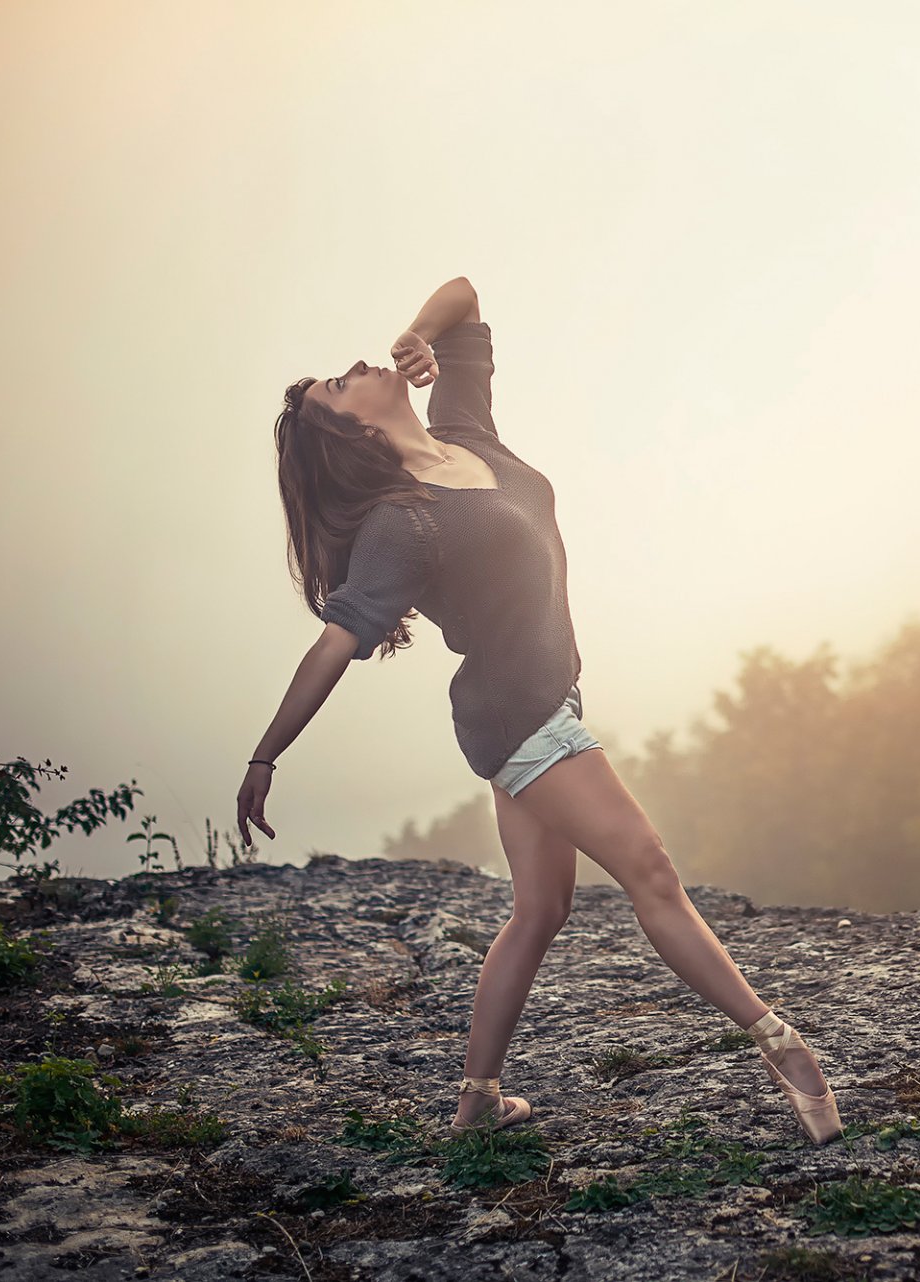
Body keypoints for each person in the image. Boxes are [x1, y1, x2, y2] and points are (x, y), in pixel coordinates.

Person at [235, 276, 841, 1144]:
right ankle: (780, 1045)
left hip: (544, 696)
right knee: (652, 870)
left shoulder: (465, 431)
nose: (358, 365)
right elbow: (337, 642)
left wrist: (417, 332)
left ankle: (477, 1102)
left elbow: (466, 298)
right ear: (354, 429)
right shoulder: (402, 526)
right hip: (520, 720)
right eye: (341, 382)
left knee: (540, 910)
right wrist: (266, 755)